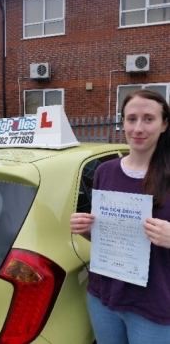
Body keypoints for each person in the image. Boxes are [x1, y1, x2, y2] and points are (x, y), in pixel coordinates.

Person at [70, 89, 170, 344]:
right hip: (104, 297)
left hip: (153, 305)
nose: (138, 127)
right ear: (122, 122)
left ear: (164, 124)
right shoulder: (105, 171)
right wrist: (87, 230)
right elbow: (107, 238)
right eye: (131, 118)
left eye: (148, 119)